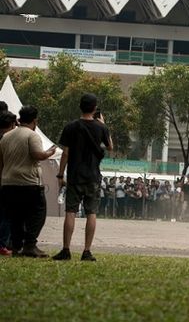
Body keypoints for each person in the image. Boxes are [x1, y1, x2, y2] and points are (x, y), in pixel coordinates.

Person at [53, 93, 112, 262]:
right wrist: (104, 125)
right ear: (95, 108)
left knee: (70, 211)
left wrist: (60, 174)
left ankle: (66, 250)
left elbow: (65, 153)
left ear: (80, 106)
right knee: (91, 212)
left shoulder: (71, 127)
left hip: (74, 176)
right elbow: (111, 147)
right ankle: (87, 251)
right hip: (93, 177)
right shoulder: (101, 128)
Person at [0, 106, 57, 257]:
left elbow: (1, 162)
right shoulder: (32, 136)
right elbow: (37, 154)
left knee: (16, 217)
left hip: (8, 182)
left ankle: (17, 247)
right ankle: (30, 244)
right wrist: (49, 153)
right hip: (29, 183)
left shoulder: (6, 137)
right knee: (38, 213)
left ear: (19, 119)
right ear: (35, 120)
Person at [0, 110, 17, 256]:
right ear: (12, 124)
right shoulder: (8, 139)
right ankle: (2, 244)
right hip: (5, 180)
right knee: (6, 215)